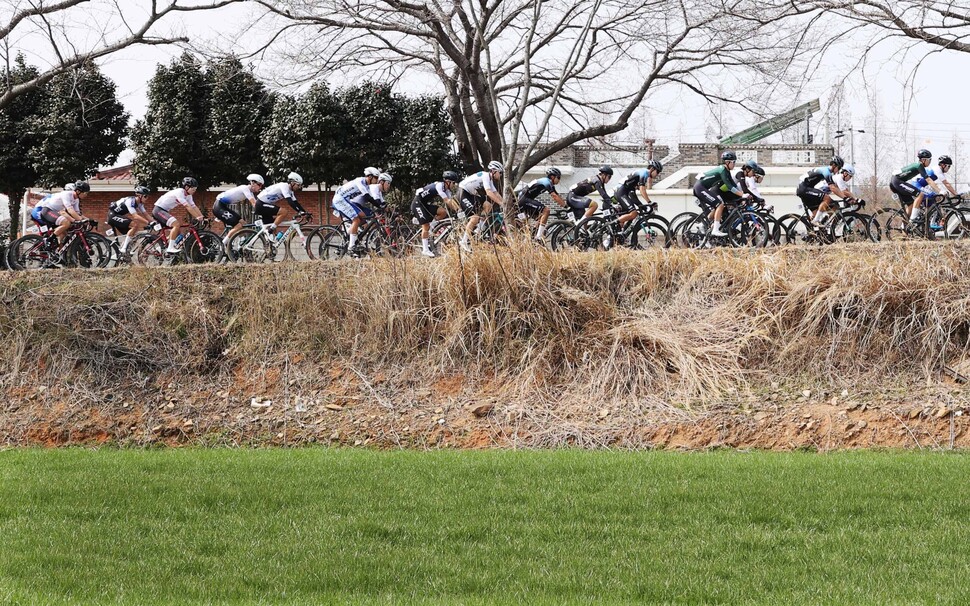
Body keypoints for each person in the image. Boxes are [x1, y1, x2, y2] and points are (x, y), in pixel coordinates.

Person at [331, 167, 383, 255]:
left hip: (345, 200)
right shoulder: (360, 181)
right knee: (356, 219)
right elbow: (367, 197)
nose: (377, 180)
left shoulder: (366, 185)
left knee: (362, 215)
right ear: (370, 177)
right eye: (376, 178)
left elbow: (372, 198)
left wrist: (380, 204)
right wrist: (379, 206)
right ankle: (351, 247)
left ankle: (351, 232)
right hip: (339, 200)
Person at [694, 152, 748, 236]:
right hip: (700, 188)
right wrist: (741, 195)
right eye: (733, 162)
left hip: (702, 188)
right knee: (720, 205)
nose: (734, 164)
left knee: (718, 206)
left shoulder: (726, 171)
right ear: (727, 162)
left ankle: (702, 225)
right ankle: (715, 230)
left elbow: (733, 184)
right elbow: (729, 186)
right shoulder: (722, 170)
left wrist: (742, 194)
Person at [457, 161, 505, 253]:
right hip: (463, 192)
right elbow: (489, 193)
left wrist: (504, 203)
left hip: (471, 194)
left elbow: (495, 193)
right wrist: (501, 204)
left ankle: (479, 229)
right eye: (500, 172)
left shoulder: (490, 179)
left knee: (488, 205)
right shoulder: (486, 176)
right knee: (474, 218)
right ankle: (463, 241)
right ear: (494, 171)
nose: (501, 175)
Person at [411, 171, 460, 257]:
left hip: (424, 204)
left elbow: (451, 201)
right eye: (453, 183)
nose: (454, 185)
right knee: (425, 226)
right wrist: (459, 211)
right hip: (417, 203)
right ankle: (425, 250)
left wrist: (459, 210)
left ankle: (431, 229)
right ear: (448, 182)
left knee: (443, 212)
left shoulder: (447, 190)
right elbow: (447, 201)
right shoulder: (439, 186)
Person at [152, 177, 205, 255]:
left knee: (177, 232)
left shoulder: (189, 196)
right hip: (158, 210)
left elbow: (194, 207)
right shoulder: (179, 192)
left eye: (195, 189)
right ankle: (170, 248)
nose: (195, 191)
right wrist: (197, 217)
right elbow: (187, 206)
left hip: (164, 211)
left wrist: (202, 217)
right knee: (176, 224)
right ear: (186, 187)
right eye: (193, 189)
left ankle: (161, 248)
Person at [795, 156, 853, 225]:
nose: (839, 170)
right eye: (839, 168)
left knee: (820, 212)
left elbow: (834, 187)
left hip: (806, 189)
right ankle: (815, 221)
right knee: (827, 198)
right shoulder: (826, 171)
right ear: (834, 165)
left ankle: (813, 231)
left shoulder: (828, 173)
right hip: (803, 188)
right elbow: (832, 188)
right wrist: (845, 198)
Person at [30, 181, 91, 245]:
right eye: (85, 193)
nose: (86, 195)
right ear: (78, 191)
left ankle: (58, 251)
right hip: (41, 211)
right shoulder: (66, 194)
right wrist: (78, 220)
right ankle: (48, 240)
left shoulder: (76, 200)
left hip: (52, 211)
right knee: (66, 223)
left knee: (63, 233)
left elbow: (77, 213)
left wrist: (88, 220)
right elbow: (70, 210)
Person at [517, 167, 566, 242]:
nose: (559, 180)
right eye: (558, 177)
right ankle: (538, 237)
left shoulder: (549, 183)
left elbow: (557, 196)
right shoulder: (546, 182)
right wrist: (566, 206)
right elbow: (554, 196)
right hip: (524, 199)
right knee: (546, 210)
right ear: (552, 177)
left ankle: (531, 236)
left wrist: (565, 203)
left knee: (540, 217)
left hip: (526, 199)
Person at [212, 174, 265, 244]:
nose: (260, 187)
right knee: (238, 226)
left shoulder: (250, 193)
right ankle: (222, 244)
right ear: (253, 183)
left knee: (242, 222)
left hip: (224, 206)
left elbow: (256, 204)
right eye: (260, 185)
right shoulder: (245, 188)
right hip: (218, 207)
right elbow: (254, 203)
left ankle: (241, 241)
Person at [890, 149, 940, 222]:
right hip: (897, 181)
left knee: (911, 204)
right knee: (920, 194)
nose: (930, 162)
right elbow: (928, 180)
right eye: (929, 160)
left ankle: (904, 226)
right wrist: (940, 191)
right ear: (923, 160)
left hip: (895, 182)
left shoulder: (917, 165)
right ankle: (913, 218)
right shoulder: (919, 165)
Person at [613, 160, 662, 230]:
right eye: (658, 172)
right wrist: (649, 202)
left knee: (628, 214)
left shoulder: (641, 175)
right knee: (633, 213)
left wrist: (643, 207)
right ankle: (612, 223)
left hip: (624, 192)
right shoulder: (644, 173)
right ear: (652, 169)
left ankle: (619, 236)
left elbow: (633, 197)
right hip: (621, 192)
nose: (658, 174)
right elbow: (642, 190)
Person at [106, 186, 153, 254]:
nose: (147, 198)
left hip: (117, 215)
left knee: (133, 235)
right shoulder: (130, 201)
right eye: (145, 196)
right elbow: (135, 216)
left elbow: (146, 215)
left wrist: (155, 222)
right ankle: (124, 249)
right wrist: (148, 223)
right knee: (135, 225)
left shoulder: (139, 204)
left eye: (148, 196)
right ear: (139, 196)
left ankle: (121, 253)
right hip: (112, 216)